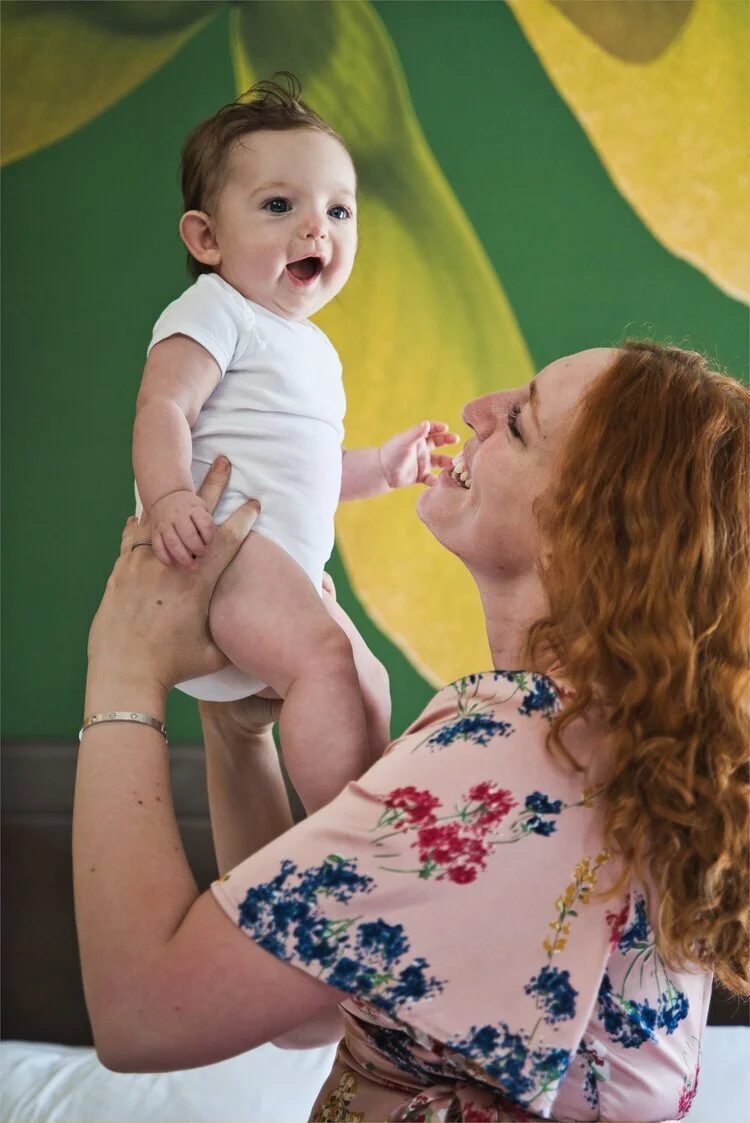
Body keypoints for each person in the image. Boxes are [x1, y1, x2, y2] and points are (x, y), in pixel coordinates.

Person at [75, 342, 749, 1122]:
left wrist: (123, 666)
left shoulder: (510, 764)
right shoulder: (609, 750)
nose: (475, 411)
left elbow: (141, 1010)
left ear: (586, 536)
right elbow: (309, 1008)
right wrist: (239, 736)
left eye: (520, 423)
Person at [131, 74, 457, 813]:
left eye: (338, 209)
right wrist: (169, 497)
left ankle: (365, 829)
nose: (318, 229)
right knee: (327, 661)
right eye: (281, 206)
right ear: (207, 238)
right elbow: (161, 407)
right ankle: (340, 844)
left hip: (276, 571)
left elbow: (304, 471)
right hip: (219, 560)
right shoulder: (217, 310)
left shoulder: (311, 348)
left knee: (367, 680)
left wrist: (382, 466)